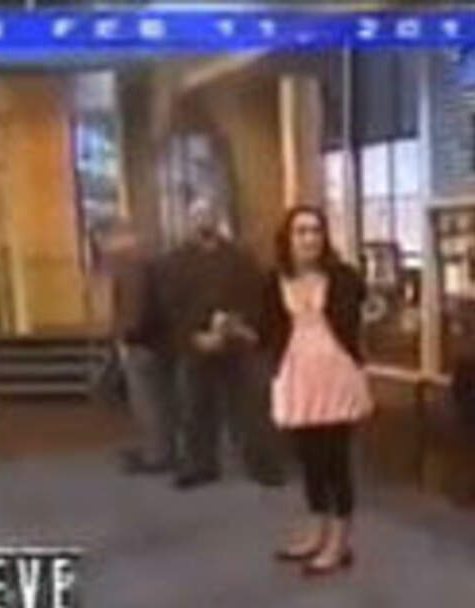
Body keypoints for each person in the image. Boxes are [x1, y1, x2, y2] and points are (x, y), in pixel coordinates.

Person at [250, 206, 373, 576]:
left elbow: (361, 311)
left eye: (315, 231)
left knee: (336, 461)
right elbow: (264, 331)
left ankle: (340, 543)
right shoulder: (273, 281)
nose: (309, 238)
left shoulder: (343, 277)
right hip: (297, 377)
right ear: (288, 239)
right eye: (301, 231)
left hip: (337, 375)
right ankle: (317, 532)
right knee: (309, 461)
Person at [154, 201, 283, 489]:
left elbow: (256, 297)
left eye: (208, 214)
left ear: (217, 218)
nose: (204, 219)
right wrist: (194, 336)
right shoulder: (173, 262)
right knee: (194, 408)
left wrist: (233, 324)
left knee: (251, 408)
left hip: (237, 341)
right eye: (197, 215)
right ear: (189, 220)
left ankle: (261, 465)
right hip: (195, 344)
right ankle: (199, 466)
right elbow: (168, 308)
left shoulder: (240, 258)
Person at [102, 222, 175, 474]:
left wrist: (124, 337)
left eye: (108, 241)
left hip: (141, 343)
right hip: (157, 341)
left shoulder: (131, 267)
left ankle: (157, 454)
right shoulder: (149, 262)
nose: (105, 248)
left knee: (147, 401)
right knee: (159, 399)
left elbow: (133, 306)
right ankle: (162, 449)